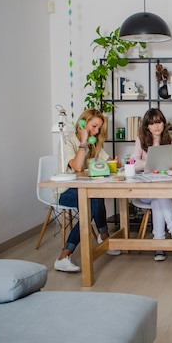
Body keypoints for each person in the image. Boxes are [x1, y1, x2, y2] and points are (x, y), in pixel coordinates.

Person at [54, 109, 121, 272]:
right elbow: (77, 166)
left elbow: (108, 161)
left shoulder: (94, 142)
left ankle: (104, 238)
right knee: (91, 201)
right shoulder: (67, 141)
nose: (96, 131)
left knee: (95, 195)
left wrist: (114, 163)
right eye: (94, 126)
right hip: (65, 191)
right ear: (82, 123)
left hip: (86, 189)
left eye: (99, 128)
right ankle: (64, 256)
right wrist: (83, 141)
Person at [132, 108, 172, 262]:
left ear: (163, 123)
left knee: (158, 197)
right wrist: (151, 163)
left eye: (159, 122)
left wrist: (165, 169)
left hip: (165, 189)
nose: (156, 127)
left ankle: (158, 245)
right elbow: (134, 163)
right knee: (157, 195)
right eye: (152, 124)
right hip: (146, 188)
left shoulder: (171, 141)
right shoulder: (141, 140)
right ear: (147, 126)